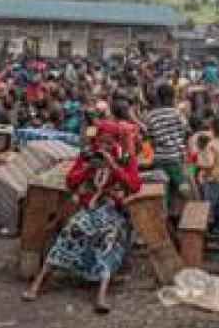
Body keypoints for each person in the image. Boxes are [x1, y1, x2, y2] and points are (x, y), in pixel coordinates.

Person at [23, 119, 142, 312]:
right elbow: (71, 182)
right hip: (91, 209)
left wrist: (113, 167)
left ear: (116, 142)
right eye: (101, 142)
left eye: (109, 143)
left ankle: (102, 293)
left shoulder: (125, 157)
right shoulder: (87, 155)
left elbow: (134, 185)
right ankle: (38, 282)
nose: (104, 146)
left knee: (109, 236)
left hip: (113, 210)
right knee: (73, 229)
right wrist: (87, 168)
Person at [145, 82, 189, 225]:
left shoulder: (151, 115)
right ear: (173, 96)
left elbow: (150, 138)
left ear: (158, 97)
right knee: (180, 188)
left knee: (162, 190)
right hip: (176, 157)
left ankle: (164, 223)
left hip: (159, 158)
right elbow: (184, 132)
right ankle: (179, 219)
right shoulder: (177, 113)